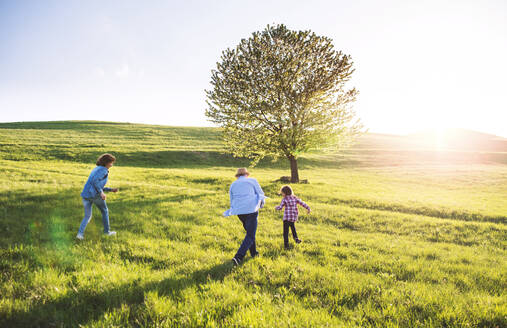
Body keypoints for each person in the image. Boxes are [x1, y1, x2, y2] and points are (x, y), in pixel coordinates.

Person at [223, 168, 266, 265]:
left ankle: (254, 253)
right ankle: (238, 257)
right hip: (251, 209)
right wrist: (261, 204)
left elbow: (231, 199)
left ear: (237, 176)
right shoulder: (252, 180)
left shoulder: (233, 184)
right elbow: (261, 194)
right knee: (250, 235)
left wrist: (233, 210)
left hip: (239, 211)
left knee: (249, 233)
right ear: (247, 174)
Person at [76, 153, 119, 240]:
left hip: (86, 195)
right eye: (111, 162)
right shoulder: (103, 170)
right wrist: (101, 193)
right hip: (95, 195)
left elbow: (97, 184)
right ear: (107, 162)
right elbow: (95, 182)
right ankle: (107, 232)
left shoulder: (97, 169)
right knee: (105, 211)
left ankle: (79, 235)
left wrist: (110, 189)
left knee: (87, 216)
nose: (112, 164)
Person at [275, 185, 310, 249]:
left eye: (282, 193)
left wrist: (276, 207)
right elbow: (302, 203)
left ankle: (286, 246)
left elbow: (280, 207)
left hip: (286, 218)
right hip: (293, 217)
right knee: (293, 228)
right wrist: (308, 208)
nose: (282, 194)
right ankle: (296, 239)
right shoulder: (295, 198)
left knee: (285, 232)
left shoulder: (284, 199)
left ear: (285, 193)